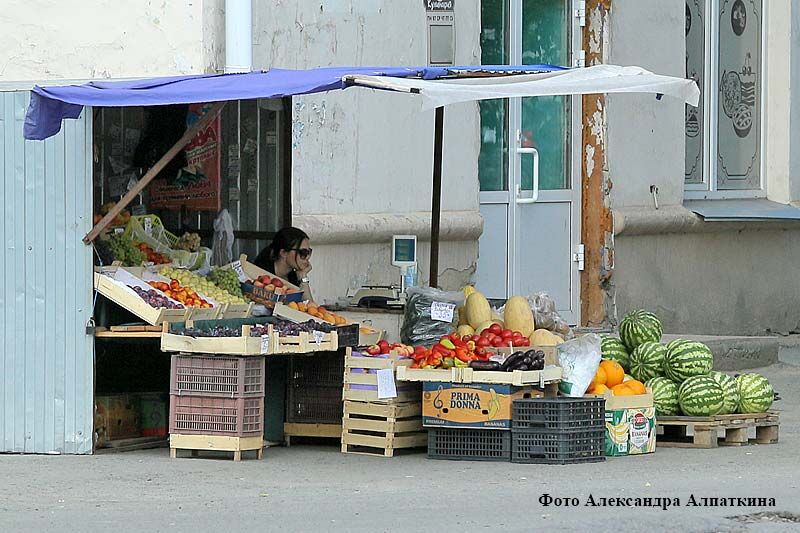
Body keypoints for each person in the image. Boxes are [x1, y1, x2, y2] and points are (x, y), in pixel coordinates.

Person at [253, 227, 314, 302]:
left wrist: (303, 277)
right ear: (283, 253)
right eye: (303, 252)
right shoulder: (261, 275)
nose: (307, 257)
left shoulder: (293, 276)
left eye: (309, 252)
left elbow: (310, 308)